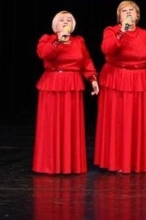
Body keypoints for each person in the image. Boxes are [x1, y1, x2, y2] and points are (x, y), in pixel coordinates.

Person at [94, 0, 146, 173]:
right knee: (118, 122)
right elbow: (107, 49)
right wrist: (122, 31)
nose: (129, 13)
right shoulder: (111, 31)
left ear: (137, 15)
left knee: (135, 123)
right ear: (119, 16)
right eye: (124, 11)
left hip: (138, 80)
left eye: (132, 10)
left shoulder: (144, 34)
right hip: (117, 79)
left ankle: (135, 161)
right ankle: (116, 161)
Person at [32, 11, 99, 174]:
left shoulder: (79, 41)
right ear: (55, 24)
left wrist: (93, 79)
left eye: (68, 20)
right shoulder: (47, 39)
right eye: (61, 20)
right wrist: (57, 41)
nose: (65, 22)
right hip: (52, 84)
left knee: (70, 124)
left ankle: (71, 164)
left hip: (72, 84)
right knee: (51, 125)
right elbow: (44, 54)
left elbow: (86, 62)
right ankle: (49, 164)